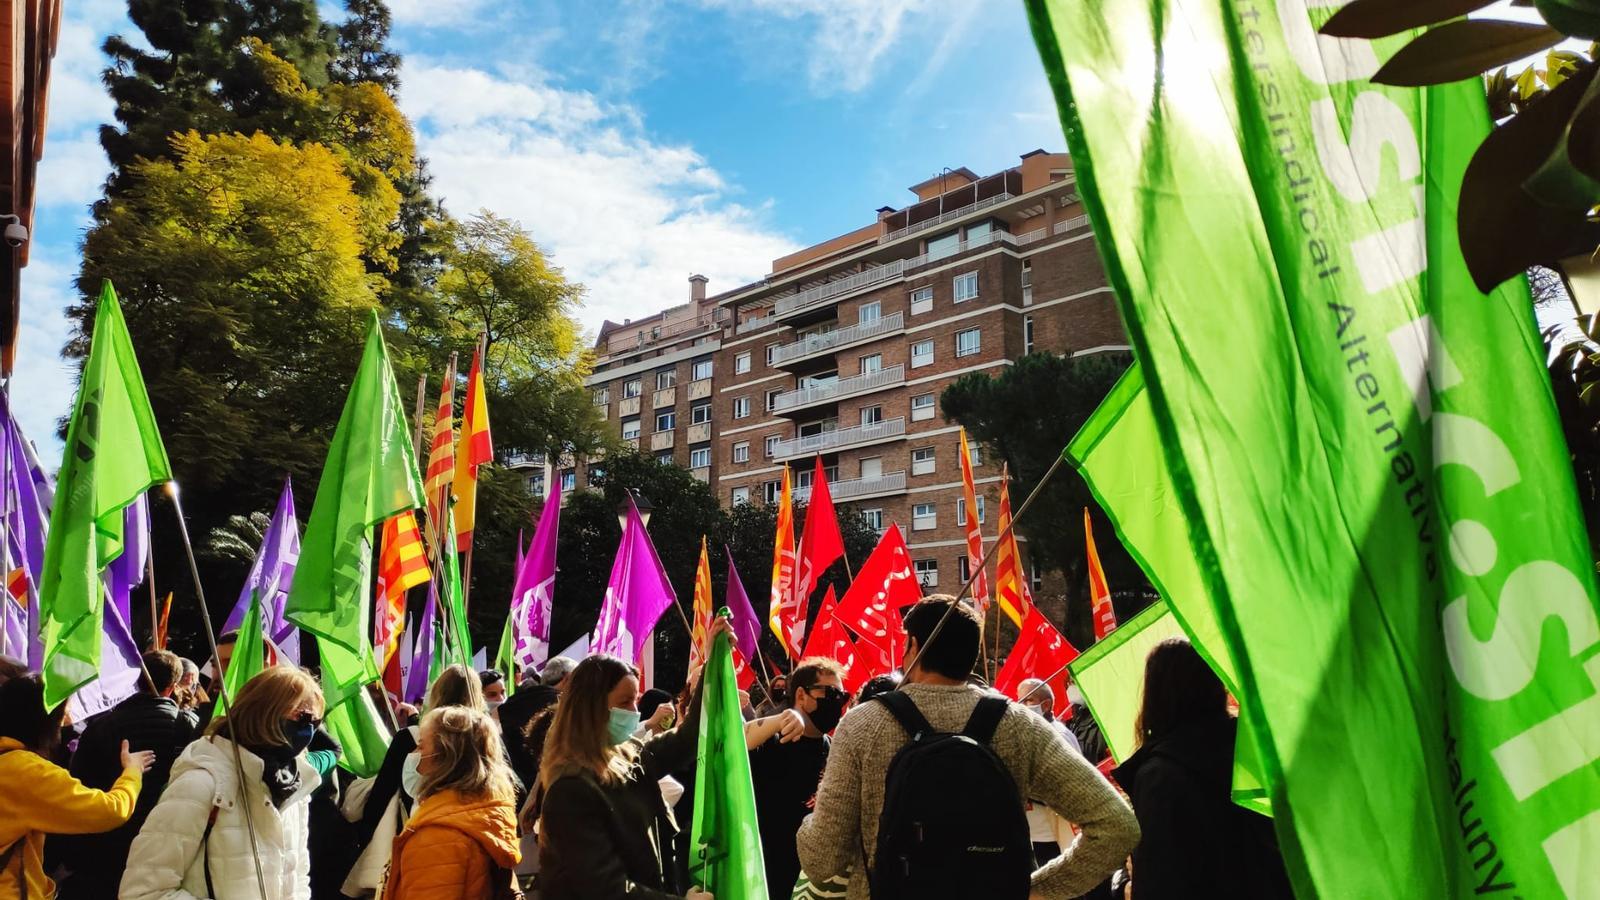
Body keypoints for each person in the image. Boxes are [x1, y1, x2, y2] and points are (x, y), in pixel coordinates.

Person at [796, 596, 1139, 900]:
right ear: (972, 655)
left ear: (913, 646)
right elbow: (1117, 825)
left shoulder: (862, 725)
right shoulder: (1019, 725)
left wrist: (808, 821)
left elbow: (822, 859)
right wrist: (1035, 888)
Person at [537, 619, 732, 900]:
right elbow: (605, 890)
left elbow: (688, 739)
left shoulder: (629, 754)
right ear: (591, 708)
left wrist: (711, 666)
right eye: (625, 702)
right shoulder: (570, 789)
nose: (634, 711)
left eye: (636, 700)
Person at [121, 666, 326, 900]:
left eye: (316, 721)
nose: (308, 729)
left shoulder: (296, 789)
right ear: (264, 713)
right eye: (302, 717)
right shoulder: (201, 784)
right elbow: (142, 892)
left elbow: (298, 878)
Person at [1112, 639, 1292, 899]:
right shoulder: (1256, 749)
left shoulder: (1159, 777)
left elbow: (1160, 881)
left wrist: (1125, 888)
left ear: (1154, 695)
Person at [56, 650, 199, 899]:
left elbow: (79, 785)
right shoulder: (190, 727)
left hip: (104, 848)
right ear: (173, 686)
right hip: (163, 847)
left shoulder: (101, 726)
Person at [0, 674, 155, 900]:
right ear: (43, 720)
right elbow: (110, 810)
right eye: (62, 716)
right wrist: (133, 772)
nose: (66, 722)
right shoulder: (28, 771)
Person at [382, 706, 521, 899]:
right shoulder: (483, 809)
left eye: (421, 745)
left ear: (445, 758)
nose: (414, 752)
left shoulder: (437, 836)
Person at [742, 658, 848, 900]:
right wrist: (780, 719)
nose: (837, 703)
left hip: (810, 881)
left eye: (842, 696)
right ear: (801, 695)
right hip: (767, 876)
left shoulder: (833, 748)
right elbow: (734, 743)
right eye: (830, 693)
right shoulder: (772, 740)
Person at [1066, 681, 1108, 766]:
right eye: (1068, 683)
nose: (1070, 687)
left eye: (1074, 682)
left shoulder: (1103, 722)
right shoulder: (1075, 721)